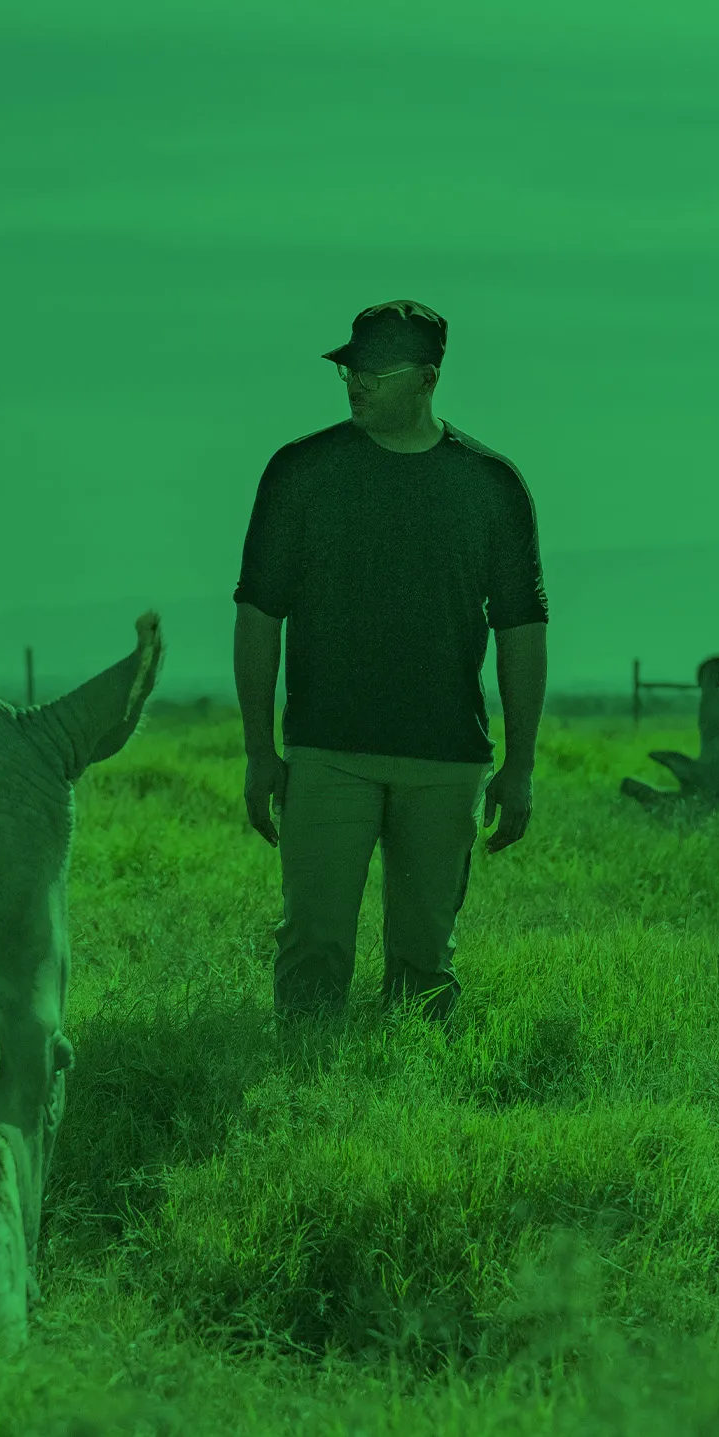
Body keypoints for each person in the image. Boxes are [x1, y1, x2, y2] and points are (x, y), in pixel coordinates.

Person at [231, 299, 548, 1024]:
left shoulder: (491, 486)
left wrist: (521, 765)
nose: (354, 380)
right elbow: (257, 615)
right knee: (310, 949)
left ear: (428, 378)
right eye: (349, 366)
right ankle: (304, 1109)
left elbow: (523, 628)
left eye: (375, 369)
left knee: (425, 962)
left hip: (446, 760)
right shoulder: (300, 473)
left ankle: (411, 1108)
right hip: (325, 753)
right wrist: (259, 750)